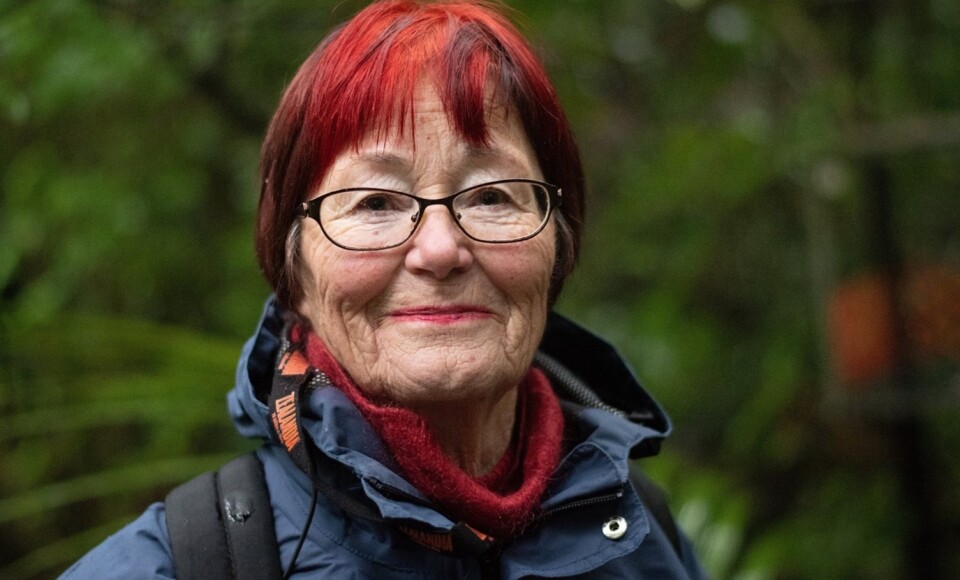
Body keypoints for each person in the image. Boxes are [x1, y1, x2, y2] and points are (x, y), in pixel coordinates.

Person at [62, 1, 706, 578]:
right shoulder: (177, 565)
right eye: (374, 202)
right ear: (295, 270)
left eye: (490, 196)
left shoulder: (642, 540)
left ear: (558, 247)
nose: (439, 249)